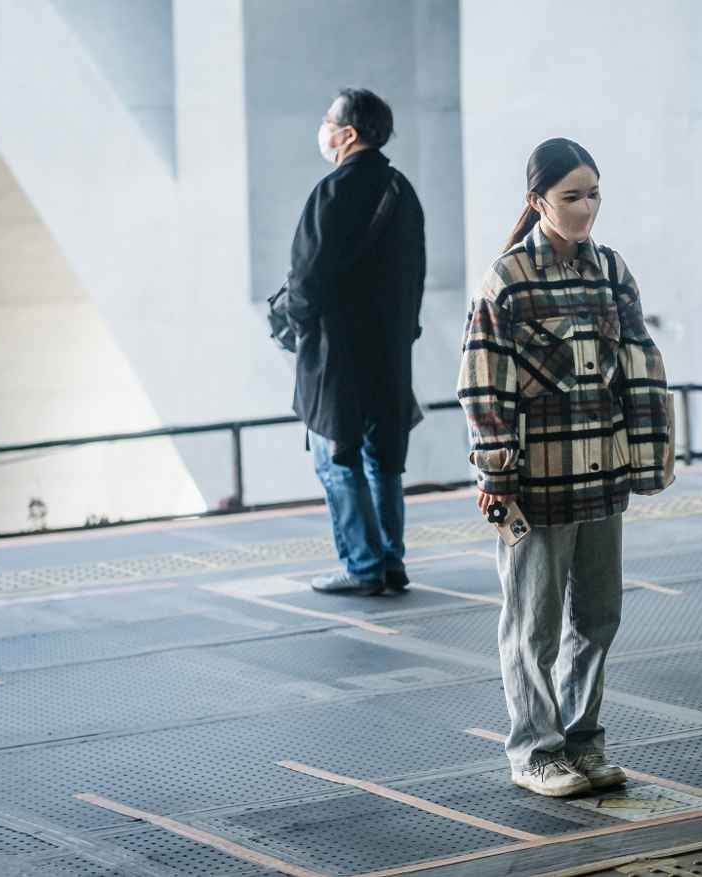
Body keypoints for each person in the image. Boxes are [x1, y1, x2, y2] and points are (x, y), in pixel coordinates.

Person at [456, 138, 674, 797]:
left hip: (601, 479)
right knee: (533, 625)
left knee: (597, 617)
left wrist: (648, 460)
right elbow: (482, 386)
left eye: (595, 195)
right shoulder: (509, 281)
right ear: (537, 202)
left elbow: (639, 366)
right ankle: (534, 750)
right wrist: (496, 475)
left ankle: (583, 742)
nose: (587, 208)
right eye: (572, 197)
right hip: (537, 486)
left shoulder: (610, 270)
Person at [286, 88, 426, 597]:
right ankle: (390, 561)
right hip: (390, 352)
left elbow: (305, 279)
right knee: (383, 460)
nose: (323, 127)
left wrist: (300, 328)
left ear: (347, 134)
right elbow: (416, 274)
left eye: (328, 120)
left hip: (336, 356)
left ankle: (362, 566)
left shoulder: (333, 190)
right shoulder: (401, 190)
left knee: (335, 458)